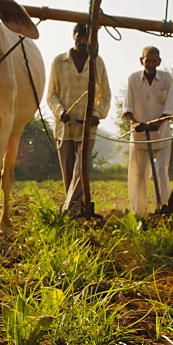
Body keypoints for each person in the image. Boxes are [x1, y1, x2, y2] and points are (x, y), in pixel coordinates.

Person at [47, 23, 111, 210]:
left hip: (87, 126)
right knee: (68, 172)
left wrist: (97, 115)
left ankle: (70, 209)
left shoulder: (97, 62)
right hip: (64, 126)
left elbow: (105, 96)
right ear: (73, 36)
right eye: (80, 36)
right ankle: (78, 210)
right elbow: (51, 94)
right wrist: (60, 112)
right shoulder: (59, 62)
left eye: (87, 37)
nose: (83, 41)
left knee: (80, 168)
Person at [123, 46, 173, 215]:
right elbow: (127, 108)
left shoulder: (166, 79)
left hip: (161, 135)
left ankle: (162, 208)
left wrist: (159, 122)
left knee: (161, 171)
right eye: (148, 60)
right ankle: (138, 211)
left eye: (154, 61)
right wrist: (134, 123)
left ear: (159, 62)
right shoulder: (133, 79)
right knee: (139, 175)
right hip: (139, 136)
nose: (151, 64)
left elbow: (171, 106)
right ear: (142, 61)